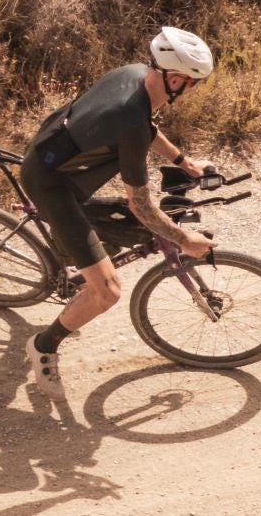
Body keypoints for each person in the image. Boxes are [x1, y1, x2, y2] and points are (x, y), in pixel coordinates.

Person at [20, 27, 215, 393]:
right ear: (175, 79)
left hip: (53, 147)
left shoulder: (134, 75)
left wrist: (183, 161)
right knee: (107, 291)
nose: (194, 90)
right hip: (51, 184)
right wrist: (184, 238)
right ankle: (43, 346)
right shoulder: (129, 120)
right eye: (194, 83)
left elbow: (145, 127)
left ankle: (72, 251)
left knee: (112, 234)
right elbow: (139, 202)